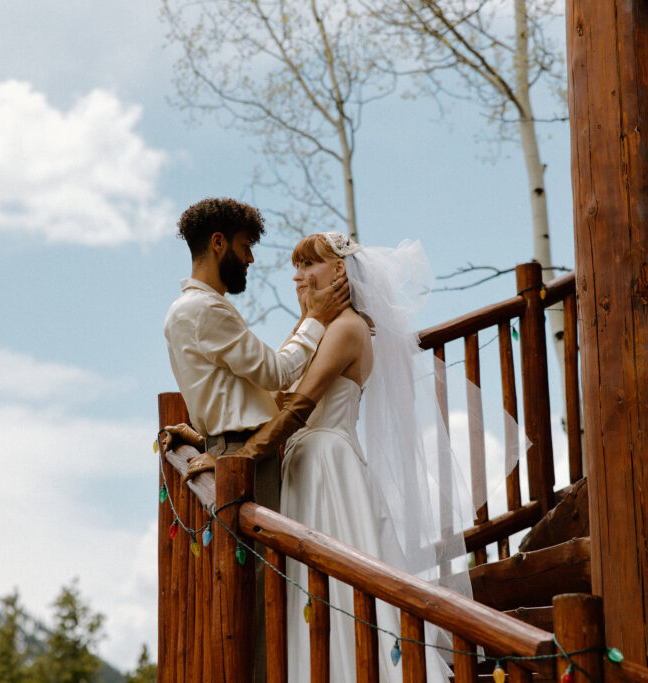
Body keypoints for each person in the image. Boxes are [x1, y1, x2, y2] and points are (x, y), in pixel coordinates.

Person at [230, 232, 471, 683]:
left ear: (339, 271)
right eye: (296, 268)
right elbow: (275, 389)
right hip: (306, 462)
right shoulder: (322, 326)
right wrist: (305, 318)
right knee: (314, 578)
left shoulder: (346, 328)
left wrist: (245, 456)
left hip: (327, 462)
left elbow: (298, 405)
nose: (298, 275)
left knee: (338, 578)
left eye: (310, 265)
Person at [162, 198, 350, 683]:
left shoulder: (194, 310)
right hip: (245, 458)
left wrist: (202, 435)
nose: (251, 259)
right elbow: (275, 371)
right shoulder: (206, 311)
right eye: (246, 247)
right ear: (218, 242)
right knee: (262, 586)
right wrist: (318, 318)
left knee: (252, 584)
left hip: (232, 449)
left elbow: (235, 389)